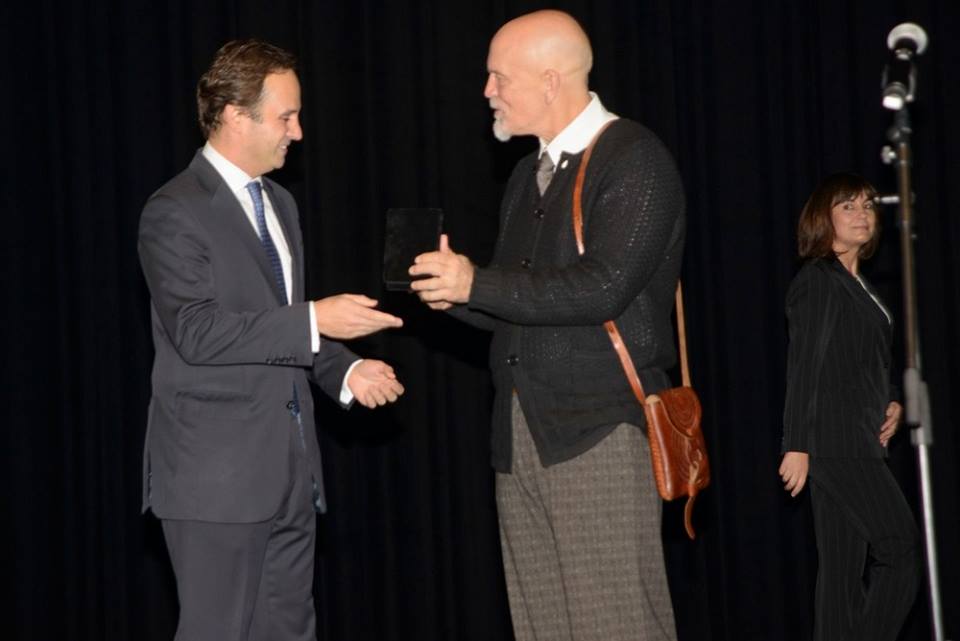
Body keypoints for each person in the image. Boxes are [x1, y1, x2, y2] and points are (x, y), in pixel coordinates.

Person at [409, 10, 682, 641]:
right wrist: (454, 295)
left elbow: (602, 289)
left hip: (597, 432)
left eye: (499, 77)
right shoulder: (528, 174)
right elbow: (528, 303)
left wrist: (476, 283)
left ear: (551, 81)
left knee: (616, 627)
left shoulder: (634, 158)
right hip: (522, 437)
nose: (487, 91)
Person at [138, 39, 405, 641]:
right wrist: (315, 319)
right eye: (286, 117)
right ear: (237, 116)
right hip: (215, 484)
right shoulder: (174, 210)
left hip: (292, 472)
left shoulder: (280, 204)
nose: (299, 132)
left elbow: (278, 325)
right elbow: (198, 332)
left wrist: (343, 370)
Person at [779, 173, 920, 641]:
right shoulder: (819, 280)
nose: (862, 214)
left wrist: (891, 399)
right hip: (835, 443)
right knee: (900, 548)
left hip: (857, 437)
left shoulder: (862, 287)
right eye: (848, 206)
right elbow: (805, 365)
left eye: (867, 205)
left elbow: (866, 359)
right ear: (824, 219)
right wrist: (796, 444)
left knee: (841, 569)